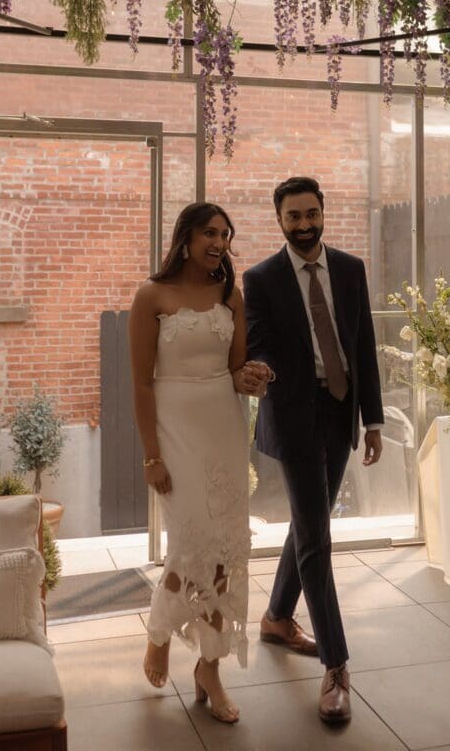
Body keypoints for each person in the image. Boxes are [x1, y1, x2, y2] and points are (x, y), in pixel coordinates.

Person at [243, 176, 384, 724]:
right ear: (278, 220)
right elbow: (257, 343)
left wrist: (372, 420)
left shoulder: (350, 270)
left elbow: (363, 346)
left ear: (323, 212)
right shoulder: (262, 278)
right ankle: (336, 666)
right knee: (318, 540)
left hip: (341, 412)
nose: (303, 225)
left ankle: (278, 617)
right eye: (292, 217)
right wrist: (265, 372)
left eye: (310, 214)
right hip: (295, 416)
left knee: (310, 525)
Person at [129, 202, 270, 724]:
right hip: (174, 432)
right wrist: (151, 456)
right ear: (185, 237)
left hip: (224, 430)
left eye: (225, 235)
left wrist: (250, 376)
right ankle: (160, 632)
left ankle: (210, 666)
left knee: (224, 551)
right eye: (209, 232)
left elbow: (233, 369)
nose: (219, 242)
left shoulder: (229, 294)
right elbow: (142, 383)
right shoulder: (151, 296)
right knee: (189, 544)